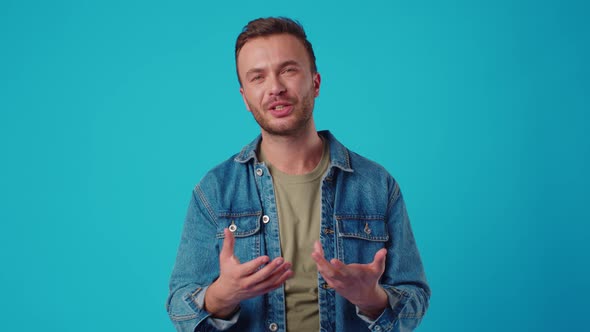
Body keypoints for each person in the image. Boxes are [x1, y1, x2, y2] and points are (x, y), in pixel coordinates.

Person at [167, 17, 430, 332]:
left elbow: (415, 296)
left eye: (288, 70)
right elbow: (180, 307)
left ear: (315, 83)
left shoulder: (376, 186)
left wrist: (371, 298)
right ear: (245, 98)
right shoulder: (214, 191)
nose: (275, 88)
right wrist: (223, 296)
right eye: (258, 77)